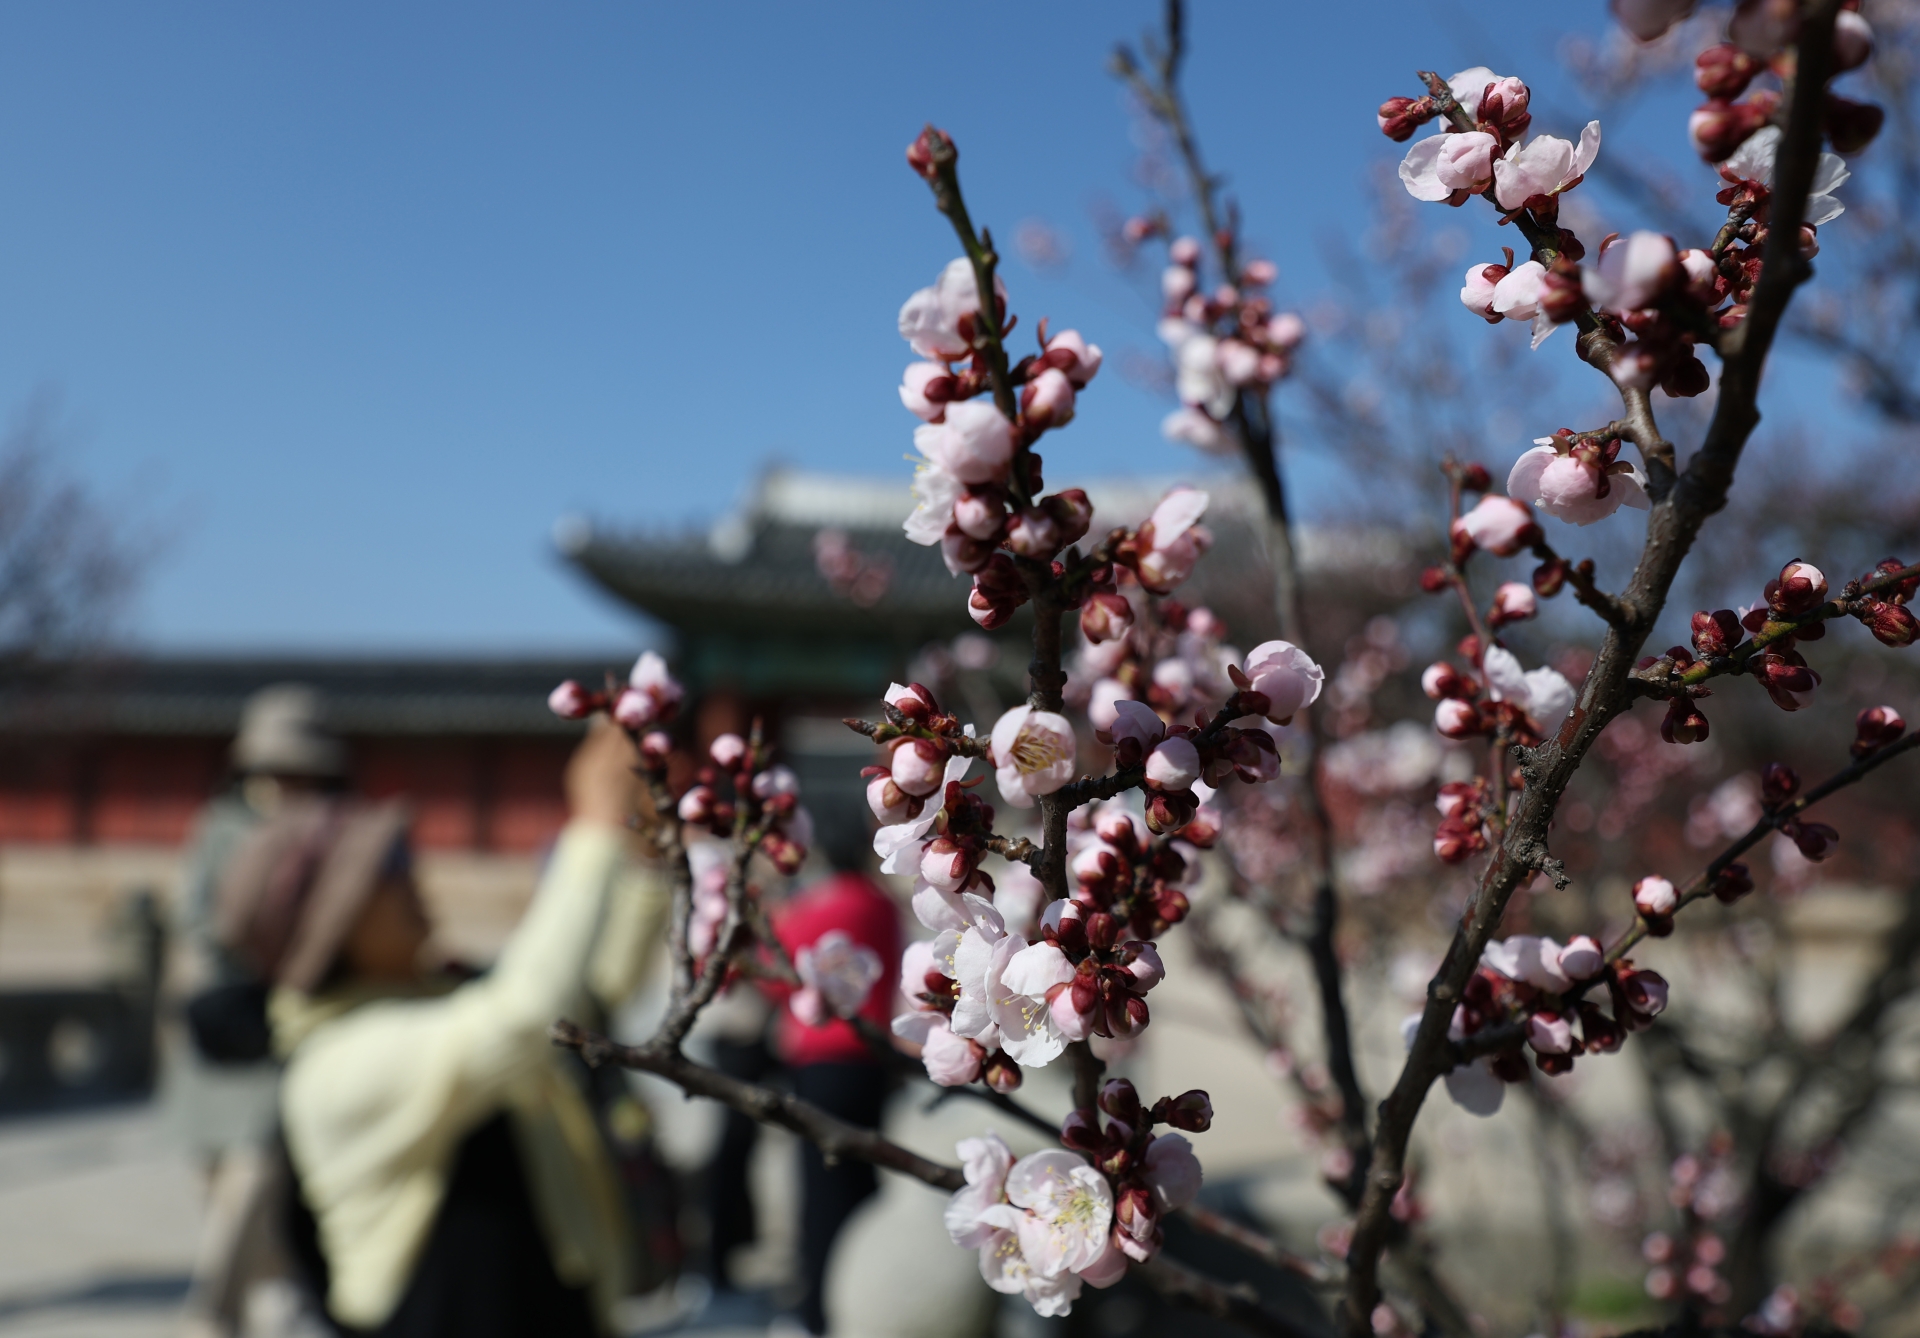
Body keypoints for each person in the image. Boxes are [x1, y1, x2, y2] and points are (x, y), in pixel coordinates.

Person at [219, 719, 666, 1337]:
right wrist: (591, 825)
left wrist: (644, 850)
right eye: (387, 867)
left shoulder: (438, 1000)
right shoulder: (337, 1061)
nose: (413, 876)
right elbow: (527, 1017)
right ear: (331, 921)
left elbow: (591, 995)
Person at [171, 684, 348, 1338]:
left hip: (288, 1025)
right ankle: (274, 1300)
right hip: (216, 1021)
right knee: (217, 1178)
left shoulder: (334, 831)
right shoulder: (219, 829)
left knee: (258, 1170)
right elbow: (192, 919)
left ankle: (211, 1310)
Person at [764, 860, 902, 1336]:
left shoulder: (811, 907)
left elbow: (776, 977)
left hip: (820, 1061)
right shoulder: (880, 902)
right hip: (871, 1061)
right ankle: (866, 1303)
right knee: (861, 1189)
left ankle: (813, 1316)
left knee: (820, 1194)